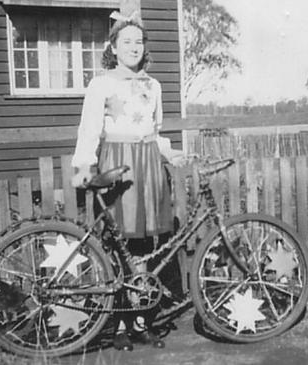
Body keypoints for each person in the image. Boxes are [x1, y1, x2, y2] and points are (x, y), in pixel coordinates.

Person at [70, 11, 184, 351]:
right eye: (127, 42)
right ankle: (118, 323)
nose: (134, 47)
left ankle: (140, 321)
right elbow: (90, 130)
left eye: (139, 42)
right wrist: (83, 171)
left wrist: (172, 154)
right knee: (119, 245)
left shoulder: (154, 85)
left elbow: (155, 132)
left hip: (149, 166)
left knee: (146, 246)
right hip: (118, 166)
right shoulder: (101, 84)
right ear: (114, 48)